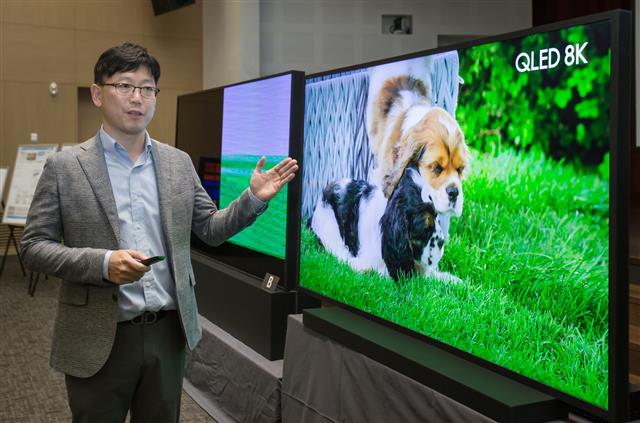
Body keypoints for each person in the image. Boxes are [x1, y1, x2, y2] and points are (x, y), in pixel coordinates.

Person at [20, 42, 298, 422]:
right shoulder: (66, 167)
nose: (137, 98)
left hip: (168, 333)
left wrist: (252, 198)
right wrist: (102, 263)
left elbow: (211, 230)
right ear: (98, 94)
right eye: (124, 86)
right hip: (99, 334)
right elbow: (33, 247)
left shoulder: (177, 163)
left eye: (147, 88)